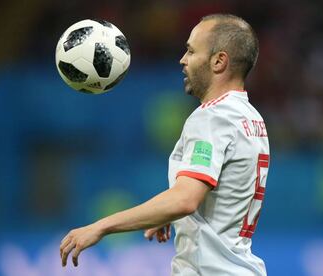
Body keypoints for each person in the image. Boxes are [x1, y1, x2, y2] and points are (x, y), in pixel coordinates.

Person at [60, 13, 270, 276]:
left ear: (219, 61)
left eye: (191, 51)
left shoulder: (212, 117)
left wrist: (100, 227)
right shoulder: (251, 118)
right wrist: (175, 217)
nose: (183, 60)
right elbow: (221, 190)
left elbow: (185, 199)